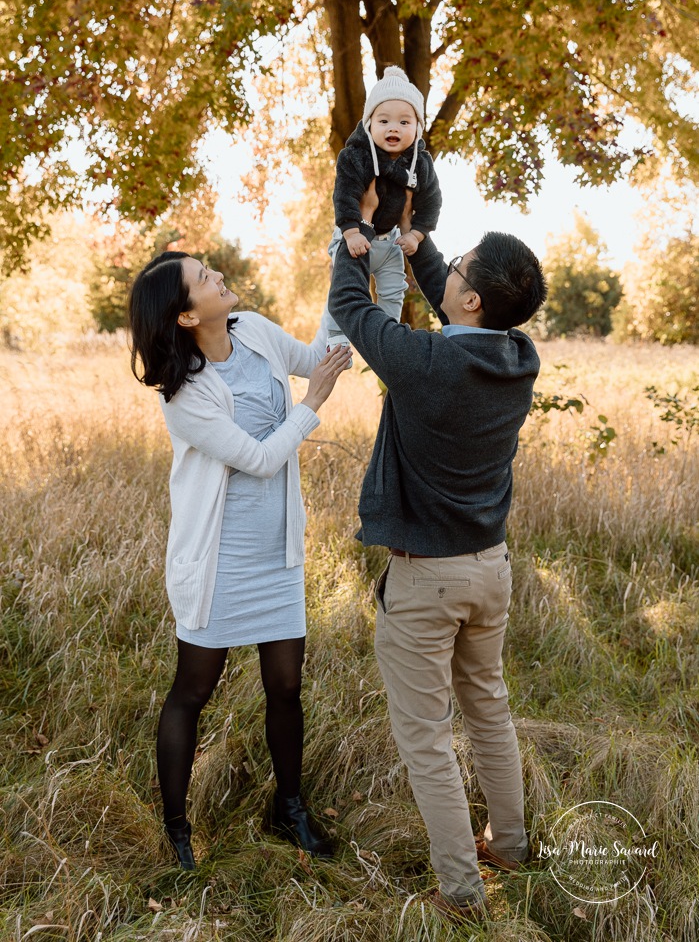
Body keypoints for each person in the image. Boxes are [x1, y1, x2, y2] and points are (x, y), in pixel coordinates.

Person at [328, 185, 547, 922]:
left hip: (427, 580)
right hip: (490, 569)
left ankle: (459, 889)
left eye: (461, 269)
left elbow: (355, 313)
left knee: (425, 737)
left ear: (472, 300)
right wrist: (424, 255)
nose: (450, 273)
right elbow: (463, 315)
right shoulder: (519, 357)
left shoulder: (422, 366)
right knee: (487, 708)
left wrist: (349, 238)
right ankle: (508, 846)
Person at [128, 250, 352, 869]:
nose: (219, 276)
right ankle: (176, 830)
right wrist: (314, 404)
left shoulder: (252, 330)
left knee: (285, 685)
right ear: (183, 316)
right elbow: (257, 458)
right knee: (193, 690)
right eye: (204, 279)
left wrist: (346, 276)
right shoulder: (186, 397)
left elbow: (315, 357)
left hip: (277, 554)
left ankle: (290, 807)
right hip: (219, 560)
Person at [326, 66, 442, 354]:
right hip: (354, 237)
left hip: (390, 241)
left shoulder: (421, 164)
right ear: (369, 124)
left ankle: (387, 339)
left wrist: (415, 234)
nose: (394, 128)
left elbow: (431, 201)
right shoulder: (356, 156)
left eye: (405, 122)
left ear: (417, 127)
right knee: (345, 289)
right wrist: (351, 230)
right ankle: (336, 338)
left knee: (393, 289)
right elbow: (345, 193)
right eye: (384, 120)